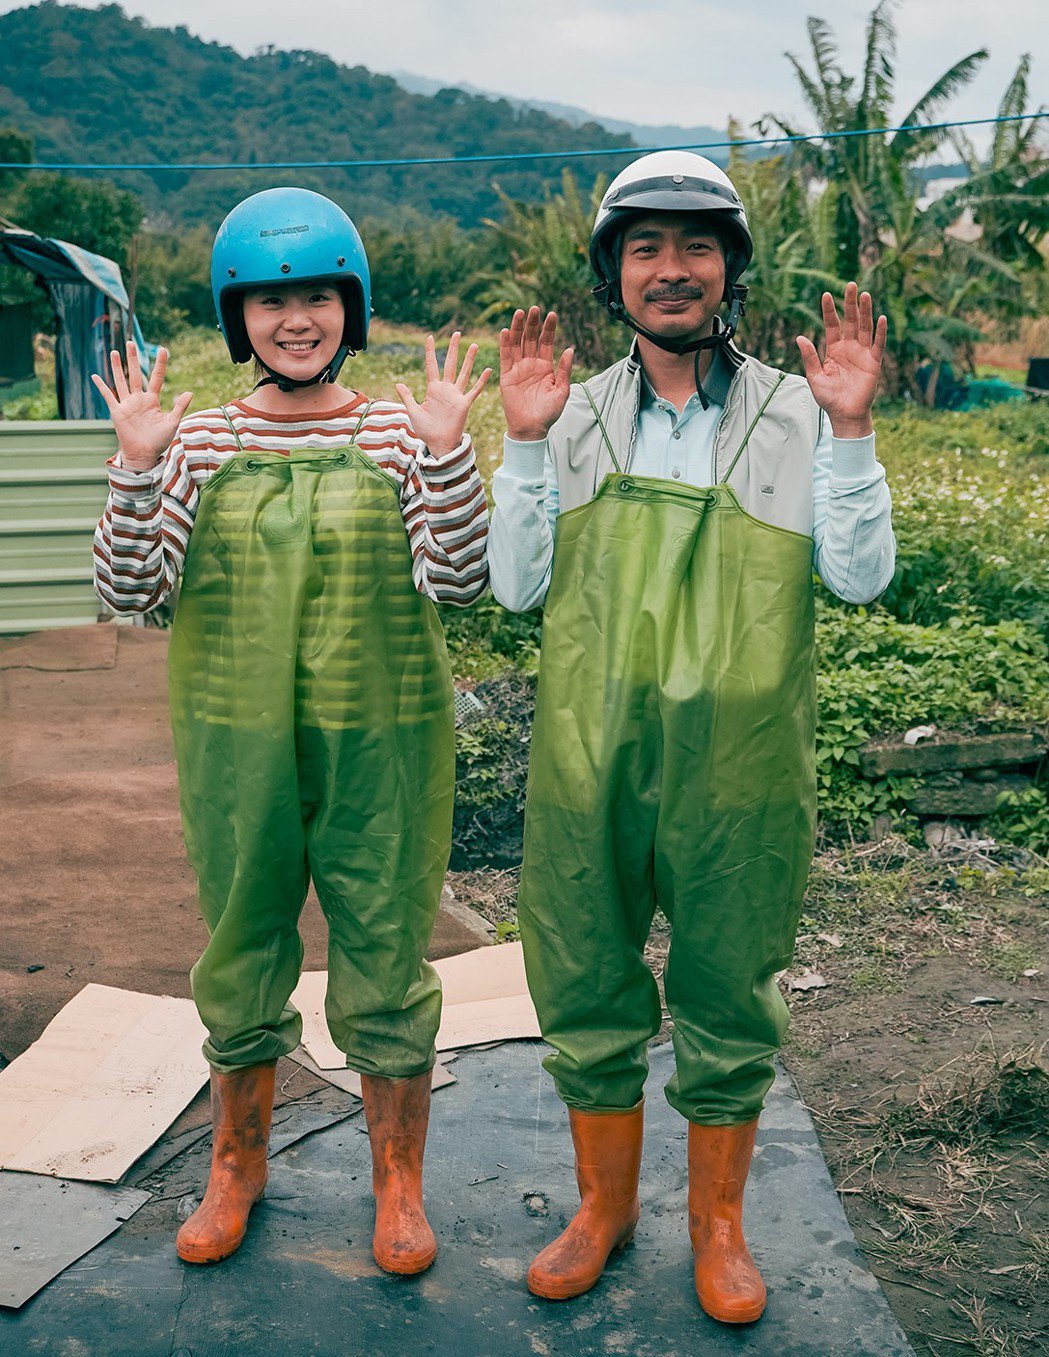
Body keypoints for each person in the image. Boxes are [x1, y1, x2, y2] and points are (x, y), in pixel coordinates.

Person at [489, 151, 895, 1322]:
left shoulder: (796, 409)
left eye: (696, 245)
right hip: (587, 759)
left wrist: (854, 431)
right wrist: (519, 442)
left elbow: (861, 581)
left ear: (730, 270)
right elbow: (515, 591)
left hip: (741, 768)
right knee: (582, 975)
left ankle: (716, 1225)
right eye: (645, 247)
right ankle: (601, 1208)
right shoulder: (565, 415)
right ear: (612, 273)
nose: (672, 270)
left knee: (728, 987)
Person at [92, 187, 491, 1274]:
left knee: (385, 940)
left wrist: (451, 454)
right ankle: (237, 1164)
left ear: (348, 307)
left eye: (316, 295)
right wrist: (135, 466)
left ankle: (397, 1184)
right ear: (238, 320)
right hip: (235, 737)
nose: (295, 318)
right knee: (241, 936)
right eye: (269, 301)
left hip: (384, 738)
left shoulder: (399, 435)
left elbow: (460, 578)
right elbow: (126, 591)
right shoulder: (201, 439)